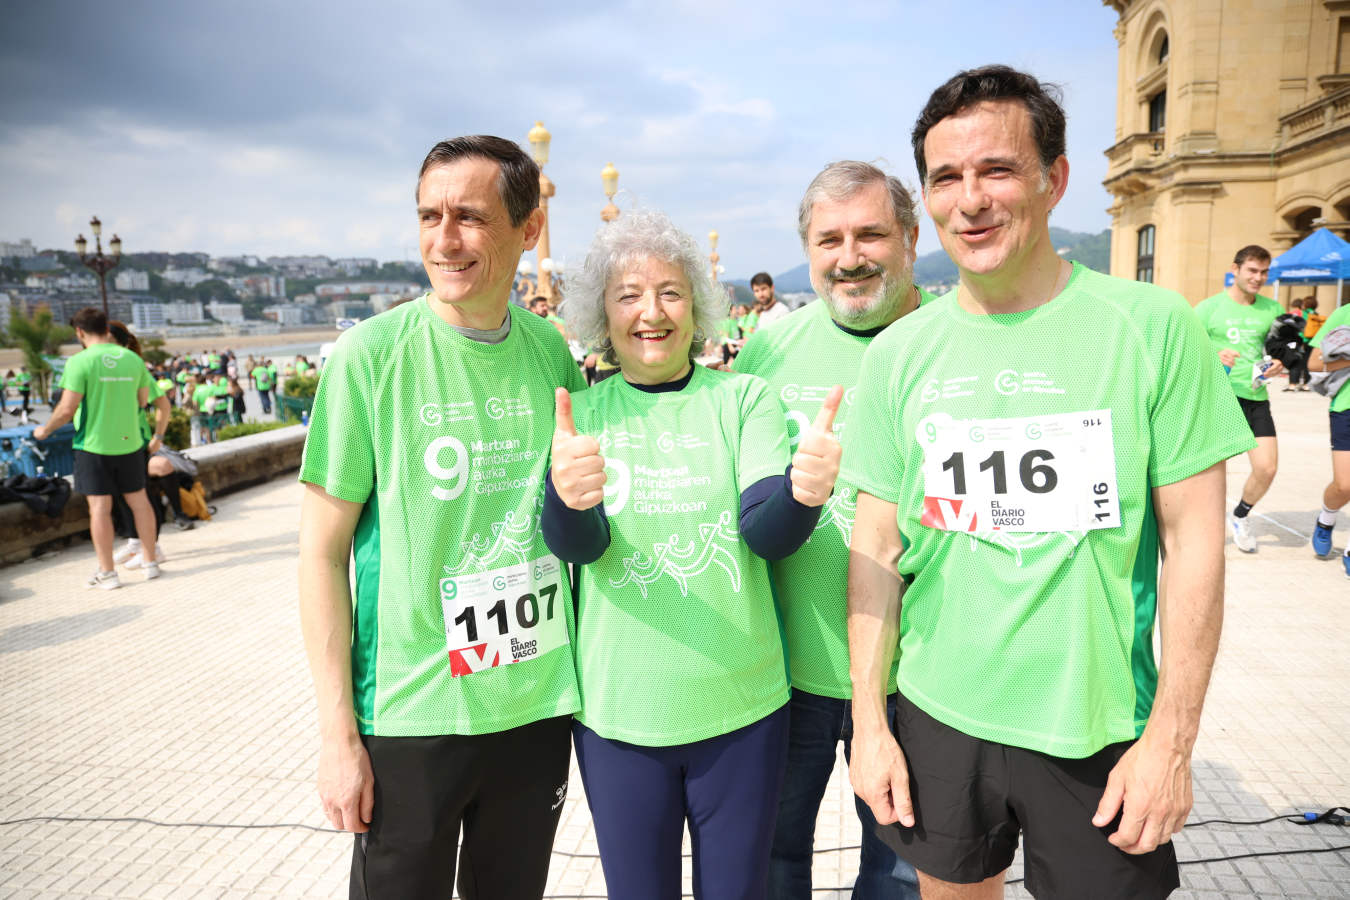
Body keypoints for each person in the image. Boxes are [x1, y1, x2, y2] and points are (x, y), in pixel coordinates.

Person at [845, 65, 1252, 900]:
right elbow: (877, 546)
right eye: (947, 179)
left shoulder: (1151, 329)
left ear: (1053, 179)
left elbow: (1195, 544)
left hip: (1096, 725)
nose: (971, 201)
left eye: (996, 170)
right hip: (940, 711)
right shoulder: (898, 355)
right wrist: (869, 723)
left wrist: (1171, 742)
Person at [298, 135, 581, 900]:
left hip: (535, 701)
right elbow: (320, 554)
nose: (444, 240)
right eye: (429, 217)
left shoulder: (551, 352)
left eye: (469, 218)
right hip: (412, 713)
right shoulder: (367, 357)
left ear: (528, 230)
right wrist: (337, 736)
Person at [543, 208, 841, 899]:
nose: (652, 312)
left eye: (671, 292)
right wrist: (568, 499)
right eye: (629, 295)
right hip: (622, 715)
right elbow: (577, 548)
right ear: (603, 316)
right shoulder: (581, 414)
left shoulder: (743, 400)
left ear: (698, 306)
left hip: (741, 709)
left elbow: (765, 534)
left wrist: (804, 495)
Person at [735, 160, 932, 900]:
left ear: (912, 239)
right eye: (830, 240)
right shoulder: (767, 351)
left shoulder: (953, 341)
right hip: (783, 674)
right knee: (773, 862)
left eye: (871, 234)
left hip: (914, 679)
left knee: (900, 875)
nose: (850, 257)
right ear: (808, 250)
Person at [34, 307, 170, 589]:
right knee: (139, 502)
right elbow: (144, 400)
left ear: (79, 332)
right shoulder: (132, 359)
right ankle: (150, 562)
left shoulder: (79, 362)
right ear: (106, 330)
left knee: (99, 508)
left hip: (93, 444)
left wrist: (44, 430)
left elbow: (67, 408)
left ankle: (108, 573)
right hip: (130, 442)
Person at [1195, 246, 1283, 552]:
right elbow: (1186, 350)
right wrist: (1212, 354)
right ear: (1236, 269)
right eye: (1252, 271)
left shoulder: (1272, 309)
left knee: (1267, 468)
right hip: (1219, 396)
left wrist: (1279, 363)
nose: (1259, 278)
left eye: (1264, 272)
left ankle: (1241, 515)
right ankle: (1203, 529)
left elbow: (1280, 348)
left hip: (1256, 395)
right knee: (1211, 471)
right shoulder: (1208, 308)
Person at [1308, 301, 1350, 576]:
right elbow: (1313, 362)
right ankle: (1326, 519)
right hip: (1346, 406)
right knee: (1345, 485)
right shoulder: (1344, 313)